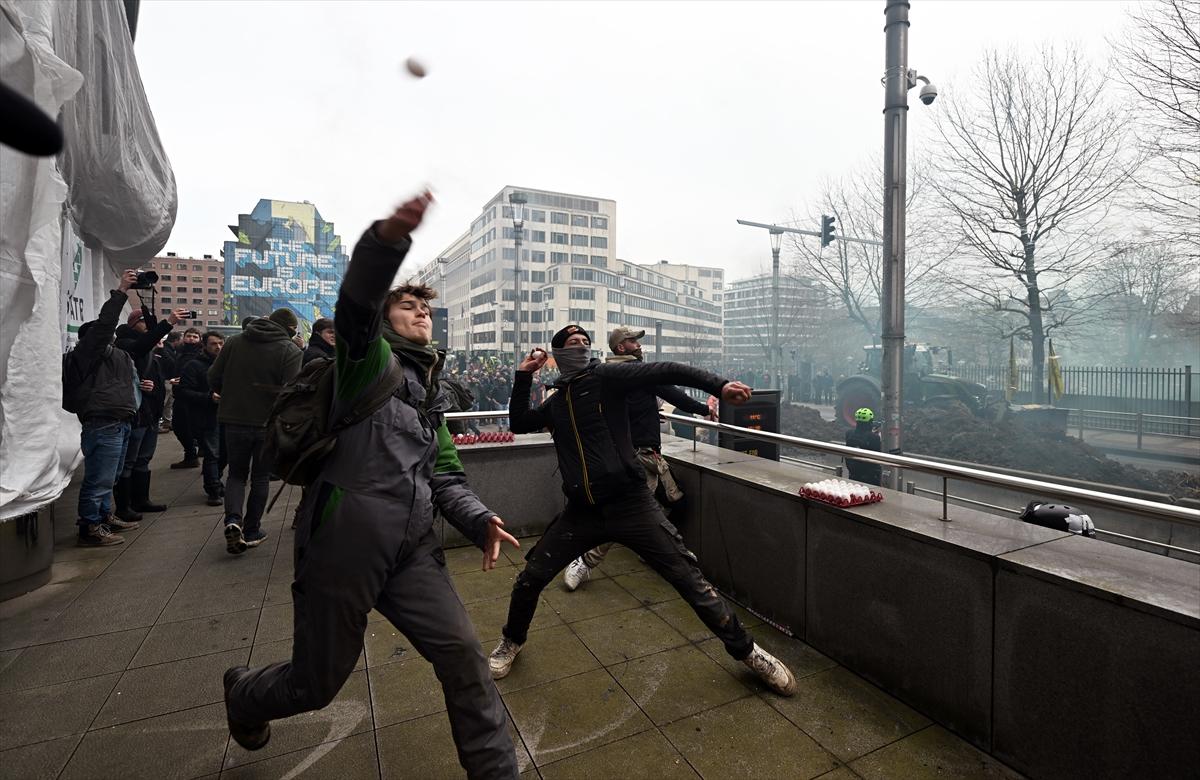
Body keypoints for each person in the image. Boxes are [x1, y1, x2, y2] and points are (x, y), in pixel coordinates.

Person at [223, 193, 521, 778]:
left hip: (411, 551)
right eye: (408, 307)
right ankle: (244, 694)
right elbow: (355, 305)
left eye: (426, 309)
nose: (422, 314)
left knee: (466, 661)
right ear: (387, 322)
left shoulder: (426, 395)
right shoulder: (367, 364)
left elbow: (444, 474)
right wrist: (385, 244)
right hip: (343, 546)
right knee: (316, 685)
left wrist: (478, 518)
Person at [488, 324, 798, 697]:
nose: (583, 348)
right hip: (582, 512)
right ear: (559, 353)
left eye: (587, 342)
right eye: (573, 344)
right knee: (529, 579)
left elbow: (666, 371)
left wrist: (719, 386)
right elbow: (519, 422)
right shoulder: (557, 404)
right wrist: (523, 376)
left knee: (689, 579)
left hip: (632, 504)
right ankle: (511, 641)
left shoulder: (607, 378)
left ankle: (748, 652)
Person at [562, 326, 716, 591]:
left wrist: (646, 414)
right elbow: (673, 393)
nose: (638, 345)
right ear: (621, 347)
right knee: (628, 514)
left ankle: (651, 547)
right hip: (637, 457)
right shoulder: (636, 373)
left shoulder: (610, 374)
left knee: (675, 501)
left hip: (647, 456)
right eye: (633, 341)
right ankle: (584, 561)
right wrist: (704, 409)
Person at [208, 308, 302, 553]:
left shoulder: (235, 341)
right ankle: (252, 529)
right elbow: (290, 392)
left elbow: (213, 376)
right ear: (290, 328)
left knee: (236, 475)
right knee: (260, 477)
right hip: (266, 424)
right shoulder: (289, 349)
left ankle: (232, 520)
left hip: (234, 419)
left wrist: (229, 393)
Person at [66, 271, 147, 545]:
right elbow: (104, 326)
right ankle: (89, 527)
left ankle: (103, 516)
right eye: (105, 335)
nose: (111, 337)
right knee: (99, 478)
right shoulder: (88, 353)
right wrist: (122, 291)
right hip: (103, 422)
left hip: (121, 421)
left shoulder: (118, 356)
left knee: (110, 477)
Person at [113, 306, 187, 521]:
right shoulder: (127, 344)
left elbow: (168, 369)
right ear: (134, 323)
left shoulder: (152, 348)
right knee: (129, 461)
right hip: (136, 412)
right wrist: (169, 322)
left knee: (143, 459)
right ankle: (124, 506)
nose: (150, 328)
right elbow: (139, 348)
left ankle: (141, 500)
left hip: (151, 412)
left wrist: (157, 382)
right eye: (146, 322)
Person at [178, 332, 225, 506]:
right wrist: (208, 397)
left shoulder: (226, 364)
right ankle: (213, 489)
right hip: (206, 416)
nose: (218, 347)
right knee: (212, 454)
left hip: (226, 415)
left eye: (220, 343)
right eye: (214, 344)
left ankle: (216, 483)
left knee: (223, 453)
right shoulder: (194, 366)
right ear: (204, 345)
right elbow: (183, 391)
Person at [169, 327, 204, 468]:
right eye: (189, 335)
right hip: (180, 394)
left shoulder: (201, 354)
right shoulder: (180, 353)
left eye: (195, 336)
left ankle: (196, 456)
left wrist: (184, 381)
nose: (191, 338)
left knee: (193, 427)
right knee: (180, 427)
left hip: (193, 396)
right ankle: (191, 455)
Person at [844, 407, 883, 486]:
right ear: (870, 421)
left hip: (853, 473)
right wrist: (876, 435)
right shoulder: (874, 437)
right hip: (870, 477)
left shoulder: (849, 433)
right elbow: (877, 456)